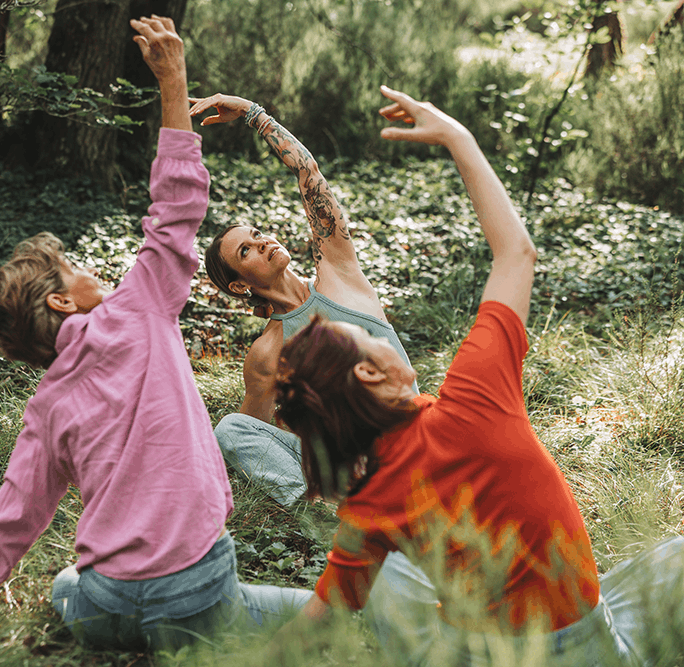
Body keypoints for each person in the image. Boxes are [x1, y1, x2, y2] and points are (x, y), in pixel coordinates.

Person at [0, 16, 312, 652]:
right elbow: (175, 209)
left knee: (68, 584)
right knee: (314, 607)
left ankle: (109, 617)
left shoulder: (46, 407)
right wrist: (173, 82)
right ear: (65, 300)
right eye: (74, 265)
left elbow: (11, 513)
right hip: (196, 592)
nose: (90, 267)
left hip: (109, 602)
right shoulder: (140, 308)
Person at [271, 86, 684, 666]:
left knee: (393, 578)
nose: (374, 328)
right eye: (366, 333)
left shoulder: (368, 502)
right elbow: (515, 252)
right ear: (368, 371)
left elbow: (325, 614)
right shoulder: (472, 402)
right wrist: (456, 136)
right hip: (582, 647)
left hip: (478, 653)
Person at [188, 92, 417, 506]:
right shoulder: (266, 352)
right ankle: (326, 520)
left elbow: (308, 172)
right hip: (354, 469)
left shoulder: (337, 271)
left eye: (257, 235)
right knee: (228, 430)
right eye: (246, 252)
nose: (262, 243)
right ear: (240, 286)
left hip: (410, 438)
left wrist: (253, 115)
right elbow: (255, 439)